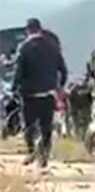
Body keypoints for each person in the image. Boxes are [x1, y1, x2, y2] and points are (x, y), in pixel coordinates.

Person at [12, 18, 68, 167]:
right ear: (40, 29)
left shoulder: (24, 48)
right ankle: (44, 155)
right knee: (46, 126)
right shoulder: (52, 46)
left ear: (27, 30)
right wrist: (59, 86)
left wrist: (14, 88)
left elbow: (19, 72)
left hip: (29, 94)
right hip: (48, 93)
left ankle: (31, 150)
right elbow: (63, 70)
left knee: (29, 125)